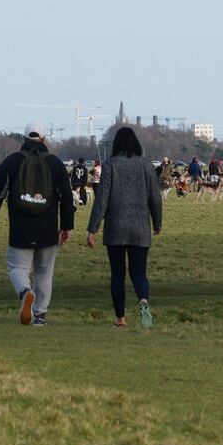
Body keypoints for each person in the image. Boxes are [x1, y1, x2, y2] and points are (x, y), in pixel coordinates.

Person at [0, 123, 74, 327]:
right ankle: (40, 315)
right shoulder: (55, 163)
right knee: (44, 272)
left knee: (16, 267)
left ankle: (25, 292)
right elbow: (66, 197)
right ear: (44, 139)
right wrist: (66, 226)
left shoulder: (11, 162)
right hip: (48, 229)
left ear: (23, 140)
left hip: (20, 228)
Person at [87, 127, 162, 330]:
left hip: (115, 228)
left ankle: (120, 319)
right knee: (139, 273)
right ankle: (143, 301)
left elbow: (101, 199)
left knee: (117, 275)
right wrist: (157, 222)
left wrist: (92, 228)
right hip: (140, 227)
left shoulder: (110, 164)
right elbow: (155, 197)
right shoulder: (146, 165)